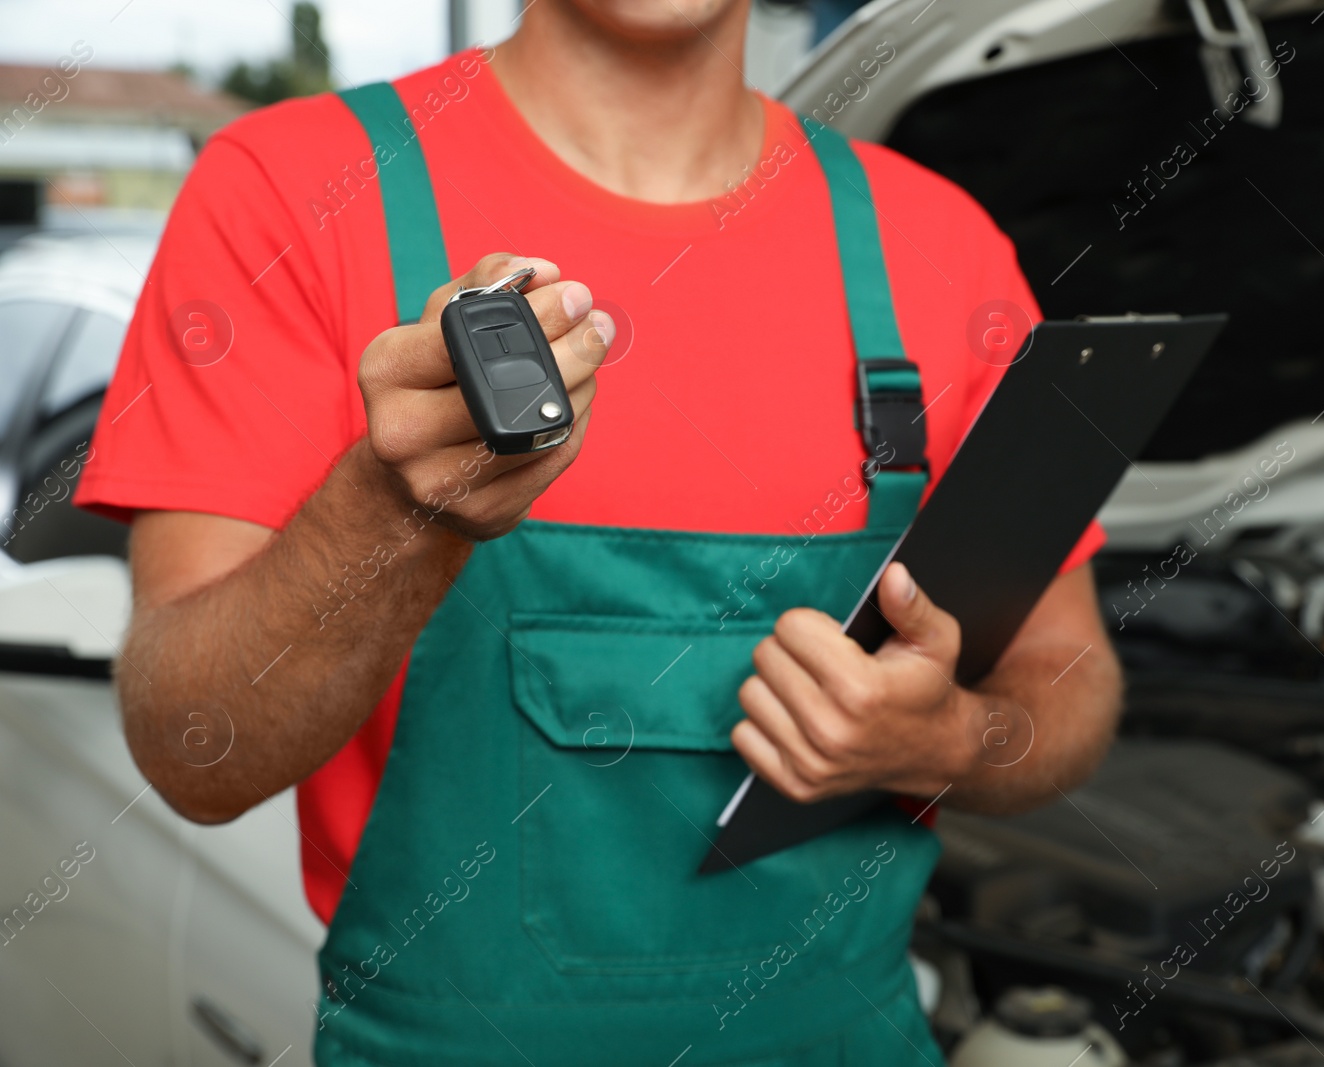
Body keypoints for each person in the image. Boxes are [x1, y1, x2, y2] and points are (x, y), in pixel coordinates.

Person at [77, 0, 1123, 1062]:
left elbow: (1069, 682)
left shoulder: (940, 243)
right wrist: (396, 510)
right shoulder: (288, 192)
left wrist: (946, 739)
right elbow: (193, 749)